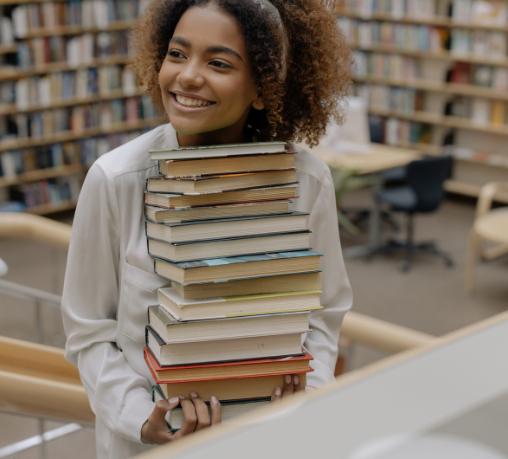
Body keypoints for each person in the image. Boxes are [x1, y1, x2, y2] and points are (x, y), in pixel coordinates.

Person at [61, 0, 354, 457]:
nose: (188, 76)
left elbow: (324, 311)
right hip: (154, 443)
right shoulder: (115, 180)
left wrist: (307, 397)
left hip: (268, 439)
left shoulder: (307, 181)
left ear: (263, 87)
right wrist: (141, 417)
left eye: (218, 63)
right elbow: (88, 330)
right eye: (177, 54)